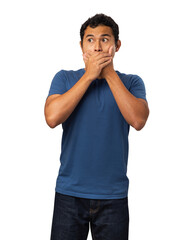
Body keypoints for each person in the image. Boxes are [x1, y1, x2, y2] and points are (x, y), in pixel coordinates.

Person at [44, 13, 149, 240]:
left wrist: (108, 74)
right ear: (81, 45)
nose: (98, 47)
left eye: (105, 39)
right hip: (69, 194)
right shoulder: (64, 78)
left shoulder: (132, 82)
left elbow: (138, 120)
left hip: (113, 196)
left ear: (116, 45)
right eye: (90, 40)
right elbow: (52, 118)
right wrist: (89, 76)